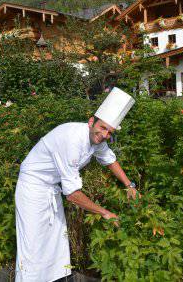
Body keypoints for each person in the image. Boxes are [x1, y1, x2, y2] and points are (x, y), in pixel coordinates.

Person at [15, 87, 137, 282]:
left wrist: (129, 185)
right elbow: (72, 194)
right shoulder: (71, 139)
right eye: (103, 127)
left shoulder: (97, 140)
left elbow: (109, 159)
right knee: (33, 247)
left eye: (110, 132)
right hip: (32, 189)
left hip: (51, 189)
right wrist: (105, 212)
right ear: (91, 122)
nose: (105, 134)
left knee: (55, 244)